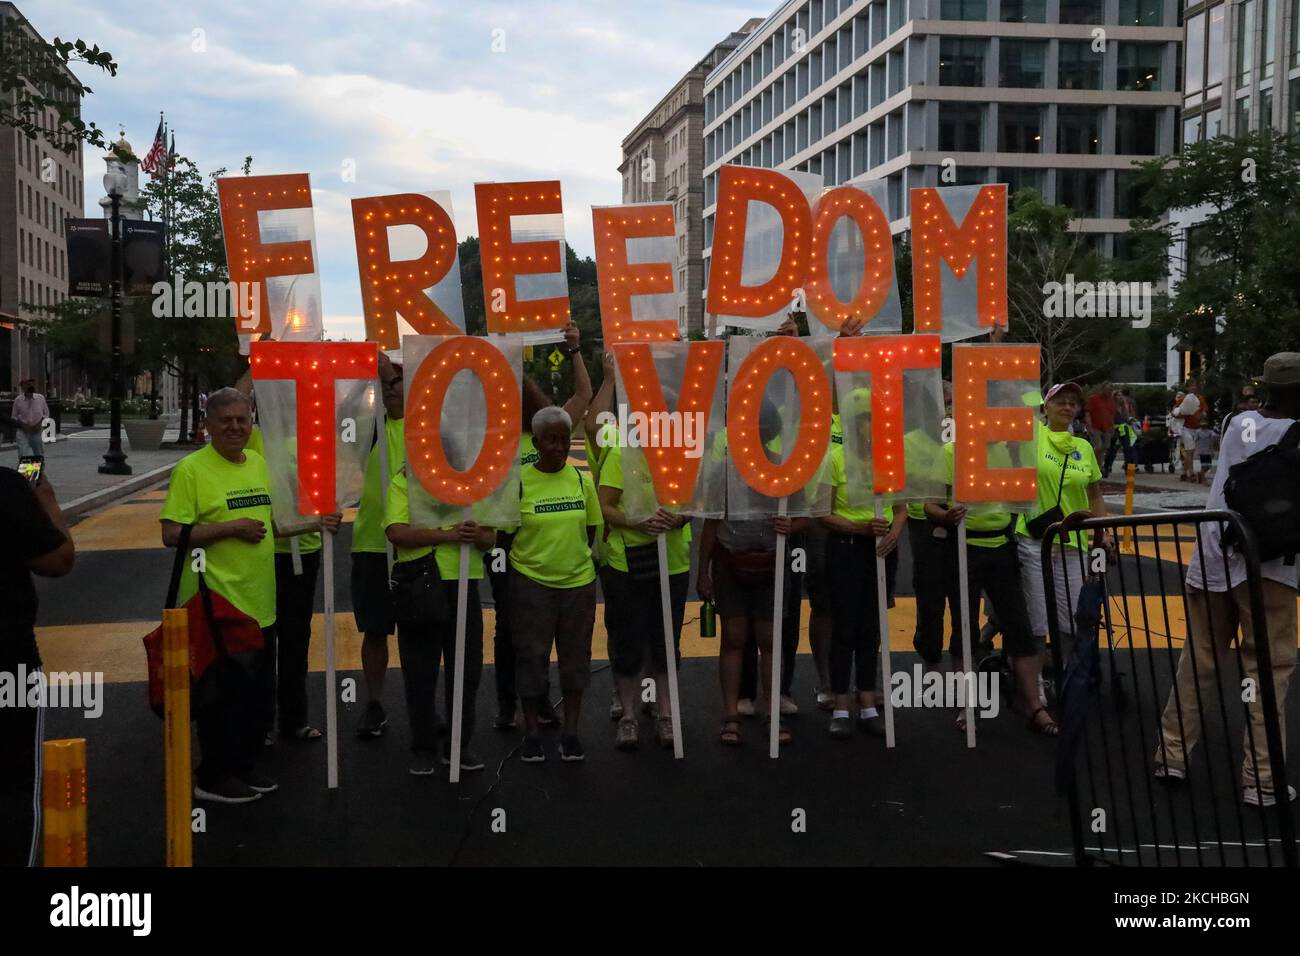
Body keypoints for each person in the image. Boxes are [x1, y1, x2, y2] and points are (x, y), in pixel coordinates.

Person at [1153, 353, 1300, 806]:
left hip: (1215, 553)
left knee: (1198, 663)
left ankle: (1171, 755)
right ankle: (1261, 778)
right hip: (1273, 567)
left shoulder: (1239, 424)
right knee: (1268, 672)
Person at [159, 387, 278, 804]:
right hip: (216, 605)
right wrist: (231, 528)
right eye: (225, 420)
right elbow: (172, 533)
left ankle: (244, 767)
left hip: (261, 604)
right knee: (220, 701)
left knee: (256, 699)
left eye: (242, 419)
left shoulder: (260, 464)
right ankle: (213, 776)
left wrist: (317, 525)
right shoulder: (191, 470)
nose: (235, 427)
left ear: (251, 423)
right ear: (207, 425)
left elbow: (269, 525)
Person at [491, 323, 592, 731]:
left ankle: (533, 703)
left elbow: (583, 397)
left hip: (541, 550)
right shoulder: (491, 436)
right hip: (504, 542)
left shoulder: (546, 428)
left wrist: (575, 350)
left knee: (534, 633)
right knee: (512, 629)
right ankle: (510, 704)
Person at [503, 406, 602, 763]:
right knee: (531, 658)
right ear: (538, 440)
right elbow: (506, 533)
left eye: (564, 438)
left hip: (578, 584)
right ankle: (532, 732)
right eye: (551, 439)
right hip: (531, 584)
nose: (559, 447)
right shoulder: (518, 481)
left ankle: (571, 732)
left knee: (576, 662)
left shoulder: (581, 480)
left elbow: (590, 530)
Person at [1015, 382, 1111, 735]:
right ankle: (1034, 693)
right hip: (1035, 539)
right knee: (1038, 621)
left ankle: (1066, 683)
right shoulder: (1030, 437)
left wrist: (1104, 530)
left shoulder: (1083, 447)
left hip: (1074, 543)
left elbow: (1094, 492)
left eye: (1073, 404)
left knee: (1072, 620)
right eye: (1060, 402)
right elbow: (1012, 398)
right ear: (1046, 405)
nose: (1067, 408)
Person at [384, 469, 495, 775]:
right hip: (420, 584)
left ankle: (459, 746)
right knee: (420, 670)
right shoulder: (405, 478)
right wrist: (448, 535)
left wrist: (478, 536)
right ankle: (423, 747)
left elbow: (489, 538)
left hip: (464, 584)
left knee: (466, 669)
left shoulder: (474, 481)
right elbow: (396, 532)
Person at [926, 442, 1038, 733]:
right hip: (963, 546)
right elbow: (930, 504)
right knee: (964, 626)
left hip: (1002, 546)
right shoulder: (952, 451)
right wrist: (945, 516)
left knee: (1019, 625)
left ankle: (1033, 704)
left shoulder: (1008, 450)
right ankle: (967, 704)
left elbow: (1020, 495)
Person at [820, 392, 906, 738]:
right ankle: (841, 705)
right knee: (845, 628)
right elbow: (822, 513)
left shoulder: (889, 460)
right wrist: (858, 527)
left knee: (871, 628)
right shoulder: (835, 459)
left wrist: (893, 535)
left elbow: (901, 508)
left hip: (881, 551)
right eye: (863, 418)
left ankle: (867, 702)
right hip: (846, 550)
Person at [598, 431, 691, 750]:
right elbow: (605, 506)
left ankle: (666, 714)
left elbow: (697, 502)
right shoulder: (621, 452)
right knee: (629, 640)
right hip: (629, 561)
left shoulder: (681, 452)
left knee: (666, 640)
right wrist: (636, 521)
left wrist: (679, 517)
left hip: (674, 560)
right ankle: (628, 716)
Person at [1, 466, 75, 865]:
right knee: (13, 787)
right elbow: (58, 561)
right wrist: (47, 502)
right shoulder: (7, 488)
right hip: (8, 664)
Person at [351, 353, 406, 738]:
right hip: (372, 544)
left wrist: (391, 373)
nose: (390, 390)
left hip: (419, 544)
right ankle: (373, 702)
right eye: (384, 385)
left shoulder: (424, 426)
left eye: (397, 383)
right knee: (375, 629)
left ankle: (426, 706)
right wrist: (373, 374)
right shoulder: (369, 428)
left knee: (425, 632)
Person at [1172, 380, 1203, 481]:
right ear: (1188, 388)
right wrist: (1184, 414)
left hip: (1196, 428)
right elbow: (1174, 413)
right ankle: (1192, 473)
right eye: (1191, 386)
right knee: (1189, 451)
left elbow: (1203, 413)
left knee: (1191, 452)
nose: (1193, 388)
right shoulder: (1183, 399)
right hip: (1186, 427)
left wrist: (1201, 417)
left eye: (1195, 385)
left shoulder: (1200, 399)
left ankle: (1184, 473)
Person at [13, 379, 50, 458]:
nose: (30, 385)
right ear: (22, 387)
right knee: (23, 454)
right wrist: (23, 426)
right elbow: (14, 417)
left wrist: (40, 423)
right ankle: (24, 470)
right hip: (23, 431)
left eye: (31, 384)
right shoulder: (18, 400)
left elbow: (46, 413)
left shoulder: (40, 398)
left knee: (39, 453)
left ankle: (38, 470)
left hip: (37, 431)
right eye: (27, 384)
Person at [1085, 384, 1116, 475]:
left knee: (1104, 448)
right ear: (1102, 389)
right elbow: (1087, 412)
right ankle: (1091, 465)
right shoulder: (1093, 399)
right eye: (1107, 390)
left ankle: (1098, 467)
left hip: (1107, 428)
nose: (1108, 392)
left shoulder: (1111, 401)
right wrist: (1089, 425)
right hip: (1095, 427)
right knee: (1098, 447)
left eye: (1110, 390)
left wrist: (1112, 427)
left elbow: (1112, 415)